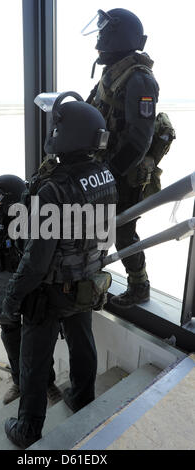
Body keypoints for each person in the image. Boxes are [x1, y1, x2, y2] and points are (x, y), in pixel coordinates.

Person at [1, 91, 117, 449]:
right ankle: (83, 399)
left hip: (49, 292)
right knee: (83, 343)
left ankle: (28, 430)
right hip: (85, 284)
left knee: (34, 363)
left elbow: (37, 259)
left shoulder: (54, 188)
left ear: (64, 135)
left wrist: (14, 296)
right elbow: (104, 234)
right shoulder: (105, 175)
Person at [83, 8, 160, 308]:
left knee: (123, 230)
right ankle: (90, 279)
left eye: (105, 32)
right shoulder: (114, 71)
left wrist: (111, 173)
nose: (100, 38)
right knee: (97, 226)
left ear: (118, 36)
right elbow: (92, 106)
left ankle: (139, 285)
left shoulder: (139, 80)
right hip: (104, 165)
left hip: (123, 171)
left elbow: (139, 140)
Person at [0, 174, 58, 405]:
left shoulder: (32, 222)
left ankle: (48, 383)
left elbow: (40, 260)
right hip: (1, 295)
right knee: (12, 340)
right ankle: (19, 383)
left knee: (37, 341)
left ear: (11, 199)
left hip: (29, 292)